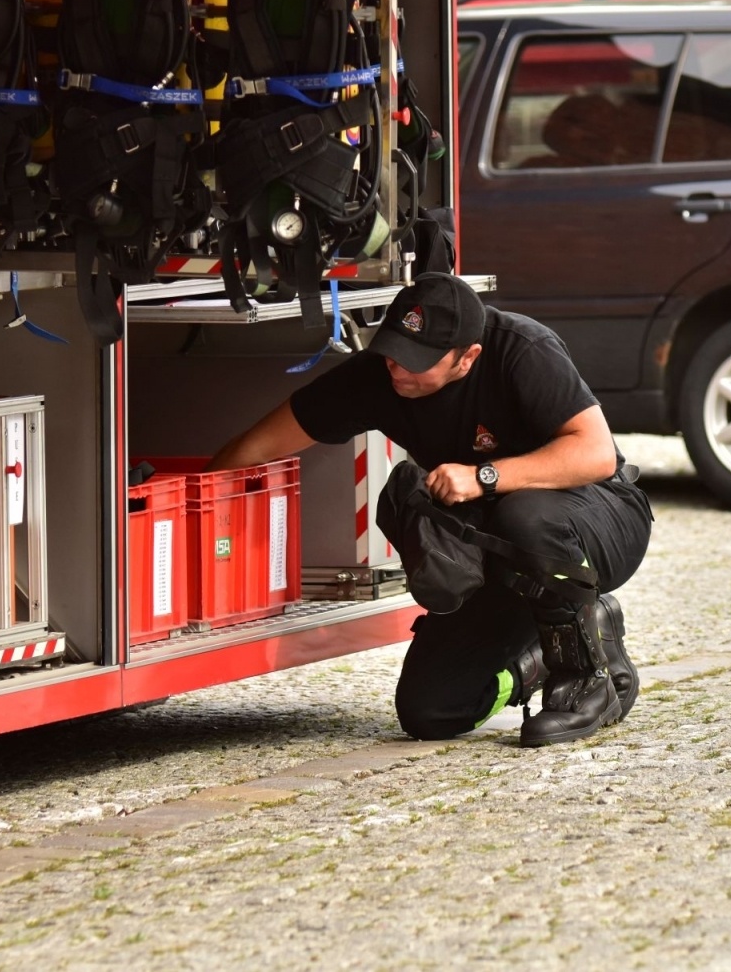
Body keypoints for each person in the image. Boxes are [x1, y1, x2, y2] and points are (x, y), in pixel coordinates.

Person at [210, 271, 653, 747]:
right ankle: (539, 659)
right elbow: (259, 445)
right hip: (502, 554)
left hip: (597, 519)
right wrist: (207, 509)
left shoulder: (522, 349)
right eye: (395, 353)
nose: (399, 370)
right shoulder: (380, 376)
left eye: (418, 361)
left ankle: (585, 678)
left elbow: (595, 454)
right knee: (432, 710)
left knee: (524, 515)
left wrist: (484, 477)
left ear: (468, 358)